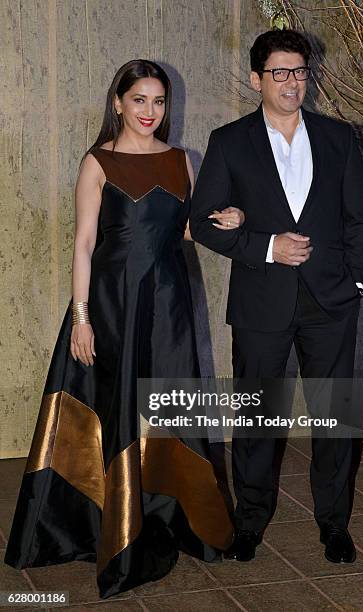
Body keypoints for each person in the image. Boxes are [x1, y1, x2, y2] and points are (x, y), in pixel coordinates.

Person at [4, 59, 242, 599]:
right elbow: (84, 244)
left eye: (159, 102)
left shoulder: (183, 159)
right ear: (118, 102)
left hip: (169, 305)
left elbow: (189, 227)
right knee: (115, 405)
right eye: (139, 100)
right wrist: (81, 317)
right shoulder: (99, 161)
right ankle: (105, 526)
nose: (149, 112)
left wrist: (231, 219)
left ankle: (169, 516)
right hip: (111, 305)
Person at [190, 30, 363, 564]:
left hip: (331, 302)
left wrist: (357, 283)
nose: (292, 81)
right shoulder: (229, 141)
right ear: (257, 80)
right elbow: (203, 223)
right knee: (255, 421)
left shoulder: (339, 137)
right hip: (261, 303)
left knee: (335, 420)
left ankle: (334, 525)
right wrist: (266, 246)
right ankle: (249, 523)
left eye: (299, 71)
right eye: (280, 72)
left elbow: (359, 220)